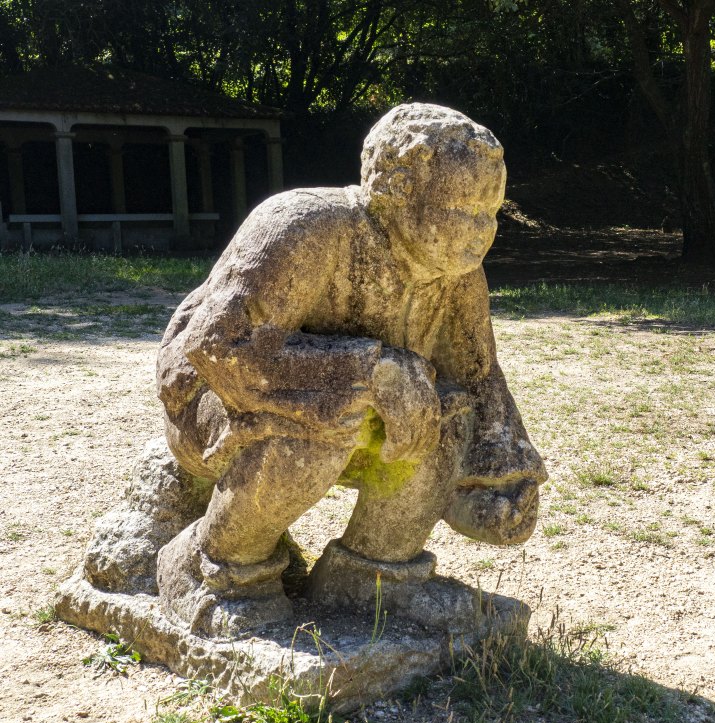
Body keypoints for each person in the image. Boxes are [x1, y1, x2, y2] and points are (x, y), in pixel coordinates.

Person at [154, 103, 546, 637]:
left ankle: (373, 576)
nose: (481, 232)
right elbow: (217, 348)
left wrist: (502, 481)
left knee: (449, 410)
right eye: (463, 210)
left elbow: (480, 380)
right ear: (399, 189)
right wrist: (372, 369)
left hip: (353, 423)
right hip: (221, 400)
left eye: (491, 213)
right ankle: (218, 568)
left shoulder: (457, 276)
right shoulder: (308, 225)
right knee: (335, 405)